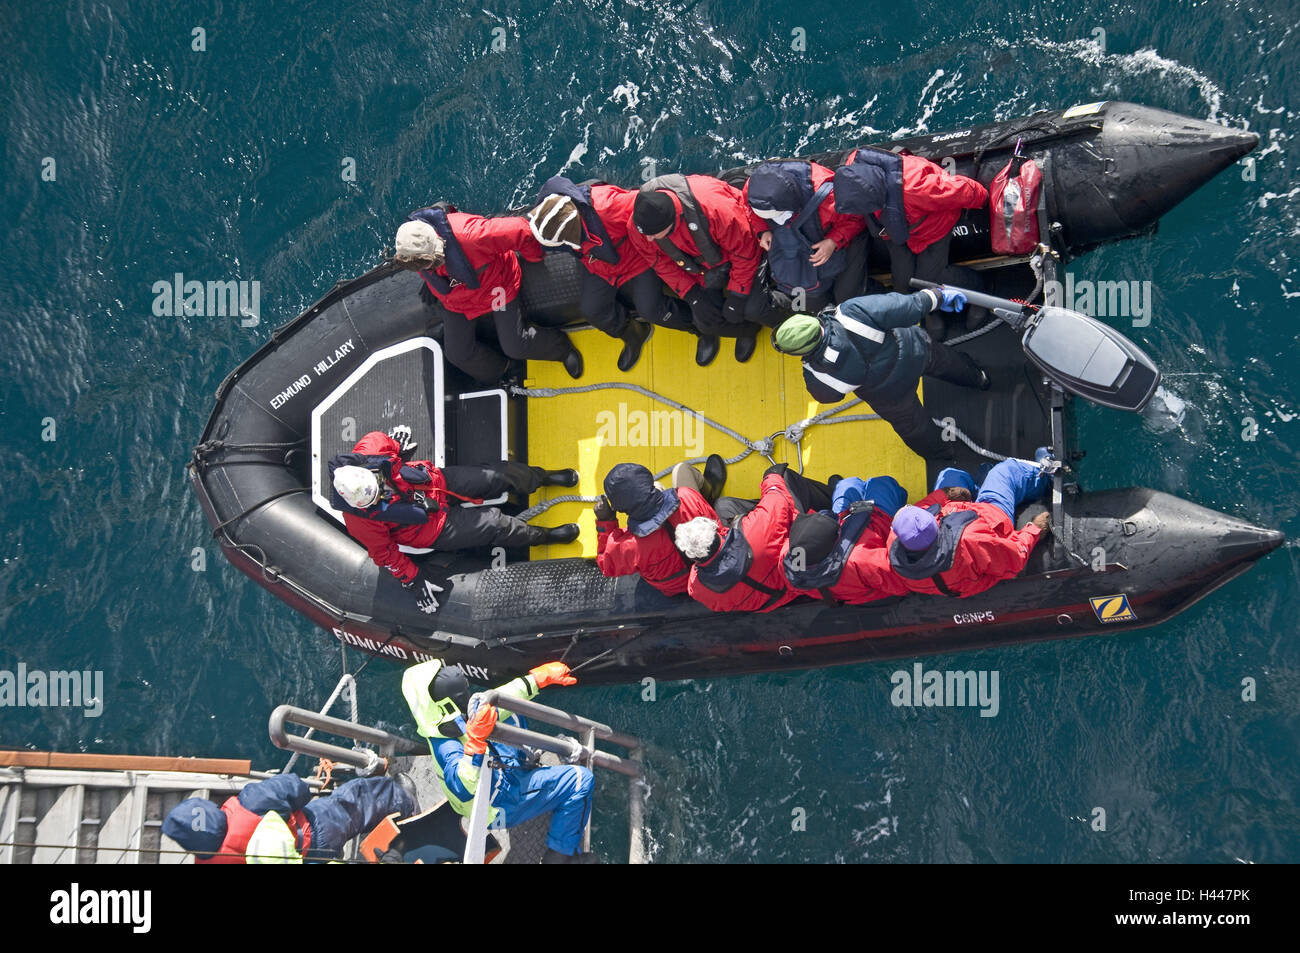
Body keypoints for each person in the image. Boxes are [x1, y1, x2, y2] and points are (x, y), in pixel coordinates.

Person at [401, 658, 599, 864]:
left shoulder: (455, 717)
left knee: (509, 711)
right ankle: (559, 855)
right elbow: (462, 786)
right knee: (580, 781)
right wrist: (475, 745)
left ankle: (531, 767)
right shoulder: (445, 745)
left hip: (499, 772)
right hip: (497, 805)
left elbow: (503, 698)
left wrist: (537, 679)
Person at [329, 428, 579, 590]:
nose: (381, 495)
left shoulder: (371, 448)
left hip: (436, 482)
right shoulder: (359, 522)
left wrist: (397, 446)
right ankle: (544, 536)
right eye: (372, 500)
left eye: (378, 487)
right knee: (495, 524)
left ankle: (544, 477)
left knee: (497, 475)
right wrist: (412, 579)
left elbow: (384, 441)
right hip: (431, 528)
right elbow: (384, 554)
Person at [772, 287, 990, 459]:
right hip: (915, 352)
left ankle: (942, 454)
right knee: (949, 363)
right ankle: (979, 379)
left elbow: (829, 397)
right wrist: (938, 296)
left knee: (915, 428)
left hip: (891, 397)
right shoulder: (851, 311)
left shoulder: (816, 375)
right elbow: (908, 307)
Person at [393, 206, 583, 382]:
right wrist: (432, 281)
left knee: (515, 344)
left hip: (496, 290)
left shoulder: (474, 235)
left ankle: (561, 349)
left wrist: (533, 256)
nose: (429, 267)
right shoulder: (414, 254)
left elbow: (521, 230)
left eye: (431, 262)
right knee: (457, 353)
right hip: (457, 301)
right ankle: (504, 370)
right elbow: (425, 265)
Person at [527, 178, 695, 371]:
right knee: (592, 310)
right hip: (599, 266)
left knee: (651, 308)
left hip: (638, 259)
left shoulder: (611, 207)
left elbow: (650, 207)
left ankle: (698, 327)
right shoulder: (562, 223)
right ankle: (634, 334)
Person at [833, 147, 990, 336]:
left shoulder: (918, 188)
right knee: (902, 280)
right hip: (894, 229)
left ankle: (979, 291)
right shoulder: (853, 172)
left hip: (933, 230)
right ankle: (930, 308)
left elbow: (965, 190)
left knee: (928, 278)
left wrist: (983, 201)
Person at [625, 174, 772, 366]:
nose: (650, 240)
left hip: (740, 256)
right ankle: (746, 331)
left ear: (672, 221)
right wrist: (692, 295)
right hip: (705, 270)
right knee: (706, 321)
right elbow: (661, 264)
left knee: (750, 307)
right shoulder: (640, 229)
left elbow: (746, 251)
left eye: (654, 235)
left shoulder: (716, 210)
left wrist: (738, 294)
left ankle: (764, 319)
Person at [881, 453, 1053, 598]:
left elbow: (920, 510)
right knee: (1005, 471)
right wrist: (1035, 528)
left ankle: (979, 483)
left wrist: (945, 494)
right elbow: (1015, 555)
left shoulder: (897, 547)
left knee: (949, 474)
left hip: (955, 535)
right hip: (987, 515)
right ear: (935, 522)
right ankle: (1046, 475)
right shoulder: (972, 541)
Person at [672, 464, 831, 613]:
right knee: (787, 478)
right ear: (715, 531)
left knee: (723, 505)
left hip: (768, 601)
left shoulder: (697, 588)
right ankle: (831, 497)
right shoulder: (756, 532)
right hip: (790, 577)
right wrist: (771, 475)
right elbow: (777, 496)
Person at [162, 774, 416, 864]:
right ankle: (405, 804)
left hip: (307, 860)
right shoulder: (249, 802)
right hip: (317, 828)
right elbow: (297, 789)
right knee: (359, 797)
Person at [742, 159, 868, 313]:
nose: (776, 221)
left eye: (778, 216)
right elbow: (751, 211)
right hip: (796, 251)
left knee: (846, 299)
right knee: (806, 302)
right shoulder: (754, 188)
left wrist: (833, 241)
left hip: (840, 245)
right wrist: (762, 230)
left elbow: (857, 218)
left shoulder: (829, 196)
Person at [594, 460, 722, 596]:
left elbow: (605, 564)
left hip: (677, 587)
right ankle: (710, 491)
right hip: (709, 568)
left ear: (617, 508)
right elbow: (716, 525)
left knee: (659, 485)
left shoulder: (629, 546)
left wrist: (605, 522)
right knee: (681, 469)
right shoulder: (687, 496)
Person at [780, 475, 910, 605]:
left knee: (847, 484)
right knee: (882, 483)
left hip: (847, 519)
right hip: (878, 522)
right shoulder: (862, 561)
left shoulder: (791, 563)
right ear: (831, 542)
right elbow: (901, 585)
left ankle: (844, 487)